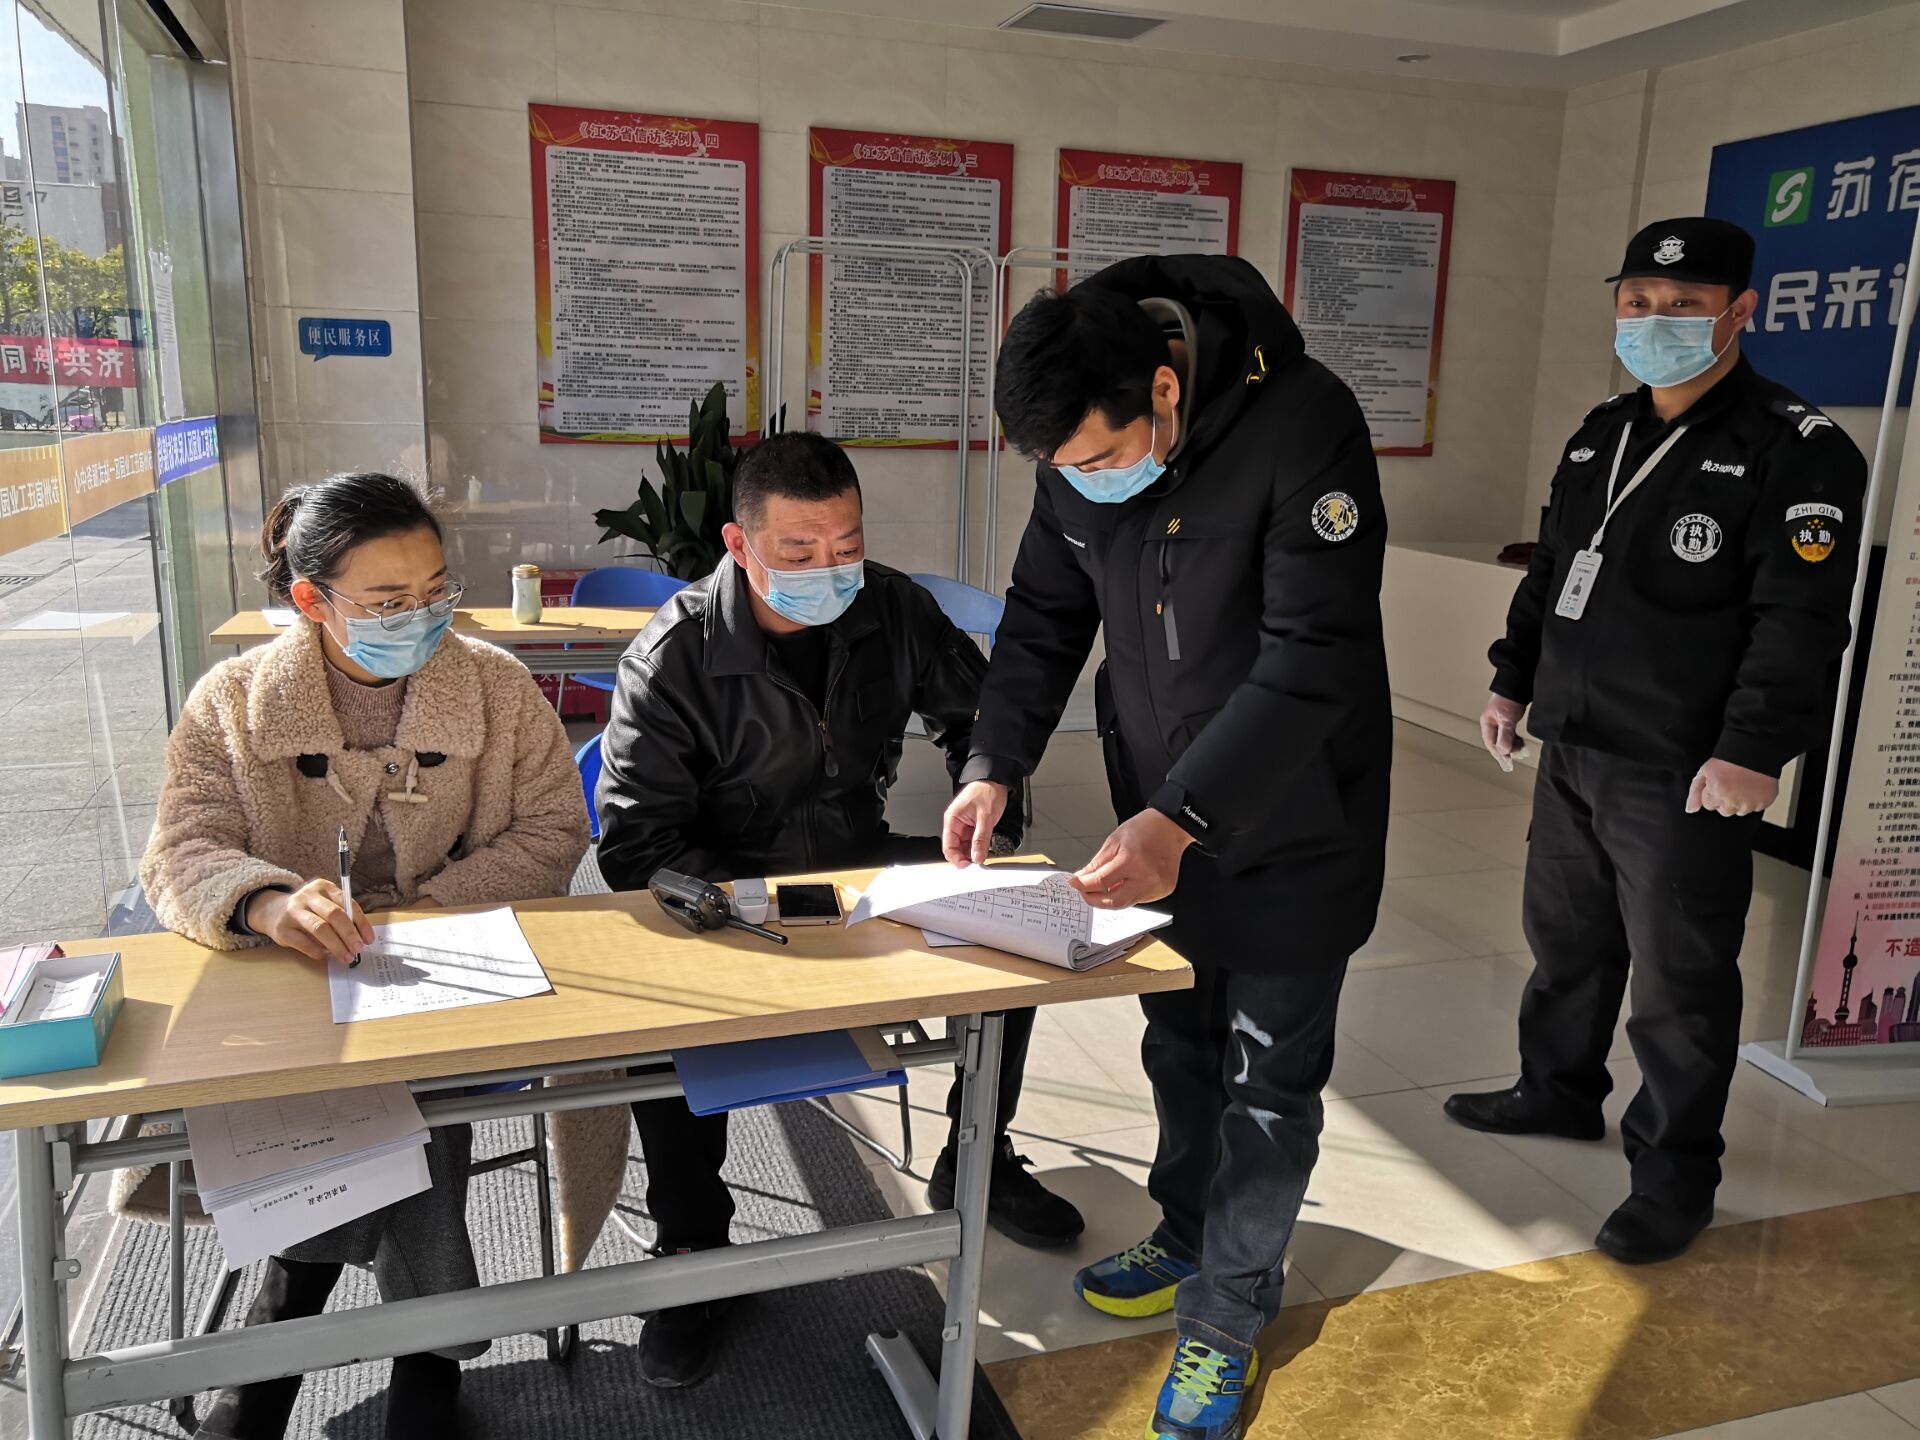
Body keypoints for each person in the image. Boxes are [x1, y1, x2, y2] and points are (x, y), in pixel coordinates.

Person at [943, 256, 1392, 1440]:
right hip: (1161, 813)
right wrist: (994, 760)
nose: (1085, 483)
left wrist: (1183, 818)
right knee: (1180, 1043)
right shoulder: (1077, 448)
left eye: (1099, 459)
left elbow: (1315, 654)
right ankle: (1189, 1233)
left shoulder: (1305, 424)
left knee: (1267, 1080)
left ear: (1164, 388)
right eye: (1065, 471)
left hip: (1297, 816)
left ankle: (1227, 1320)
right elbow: (1044, 616)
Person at [595, 431, 1084, 1390]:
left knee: (1022, 929)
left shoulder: (893, 607)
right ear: (739, 544)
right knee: (657, 1012)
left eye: (847, 545)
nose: (831, 570)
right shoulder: (674, 657)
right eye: (800, 551)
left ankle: (976, 1159)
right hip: (731, 890)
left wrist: (983, 790)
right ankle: (691, 1245)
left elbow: (982, 720)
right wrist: (764, 916)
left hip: (859, 869)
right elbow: (637, 851)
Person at [137, 472, 593, 1439]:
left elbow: (556, 827)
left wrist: (432, 908)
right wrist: (264, 902)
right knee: (392, 1107)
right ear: (311, 599)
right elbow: (181, 849)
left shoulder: (495, 686)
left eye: (435, 589)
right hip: (293, 987)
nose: (421, 615)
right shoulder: (233, 702)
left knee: (409, 1088)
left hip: (453, 971)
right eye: (388, 602)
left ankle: (277, 1337)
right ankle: (429, 1358)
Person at [1448, 218, 1867, 1265]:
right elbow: (1554, 570)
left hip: (1686, 768)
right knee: (1566, 942)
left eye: (1683, 307)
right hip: (1575, 744)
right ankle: (1556, 1090)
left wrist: (1753, 750)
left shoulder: (1796, 447)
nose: (1654, 322)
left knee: (1679, 982)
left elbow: (1801, 621)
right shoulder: (1604, 431)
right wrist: (1512, 680)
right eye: (1637, 303)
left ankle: (1676, 1175)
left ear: (1740, 312)